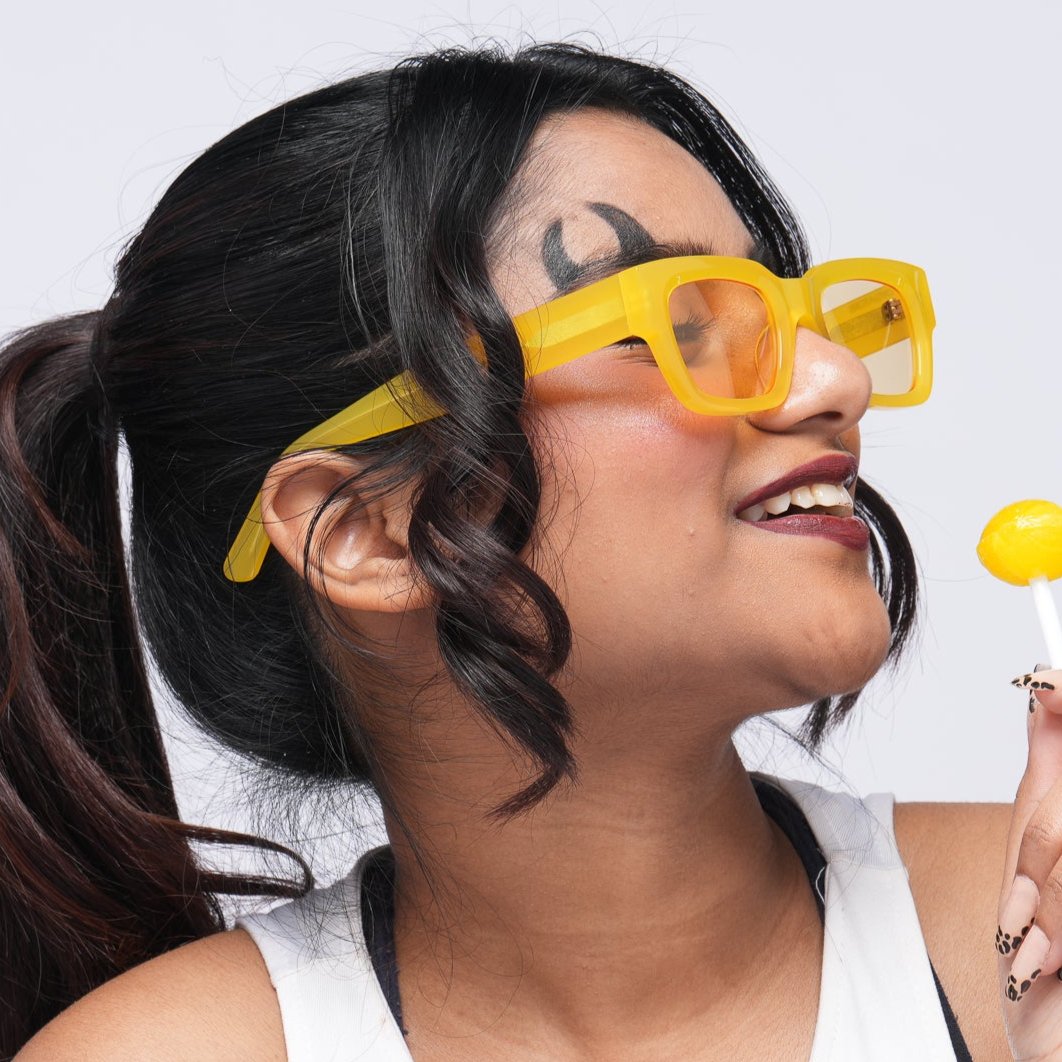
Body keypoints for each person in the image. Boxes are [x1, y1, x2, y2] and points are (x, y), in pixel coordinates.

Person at [1, 40, 1044, 1061]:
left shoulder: (1025, 940)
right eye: (677, 326)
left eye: (791, 315)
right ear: (364, 530)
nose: (836, 381)